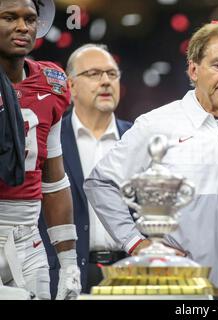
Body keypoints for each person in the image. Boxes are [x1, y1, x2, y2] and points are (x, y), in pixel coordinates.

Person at [84, 21, 218, 299]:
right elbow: (101, 183)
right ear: (194, 69)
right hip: (175, 291)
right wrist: (136, 243)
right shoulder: (156, 124)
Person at [38, 44, 133, 297]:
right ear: (70, 86)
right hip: (65, 275)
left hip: (130, 274)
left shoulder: (138, 138)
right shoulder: (49, 140)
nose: (105, 81)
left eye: (112, 74)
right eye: (93, 74)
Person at [0, 0, 80, 299]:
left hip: (28, 240)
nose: (22, 27)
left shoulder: (51, 82)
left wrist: (69, 264)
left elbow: (54, 180)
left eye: (30, 19)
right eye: (9, 17)